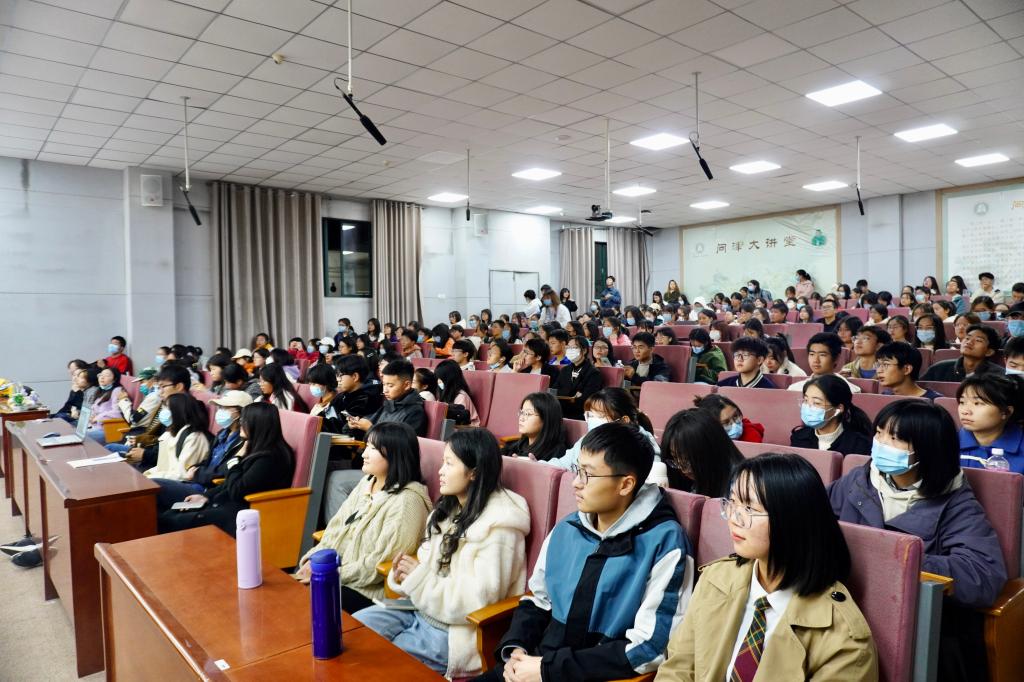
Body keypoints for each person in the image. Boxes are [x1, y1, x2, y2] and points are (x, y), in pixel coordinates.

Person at [478, 423, 692, 682]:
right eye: (577, 470)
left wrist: (548, 670)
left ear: (625, 484)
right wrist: (517, 649)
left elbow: (649, 647)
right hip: (536, 664)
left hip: (589, 674)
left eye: (588, 475)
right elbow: (539, 599)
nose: (576, 483)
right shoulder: (568, 528)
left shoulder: (664, 542)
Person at [658, 454, 877, 681]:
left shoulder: (845, 640)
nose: (733, 518)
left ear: (792, 519)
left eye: (749, 508)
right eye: (732, 503)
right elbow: (677, 668)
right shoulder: (715, 579)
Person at [829, 401, 1005, 678]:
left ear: (928, 450)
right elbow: (815, 516)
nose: (881, 444)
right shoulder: (861, 480)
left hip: (916, 618)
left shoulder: (956, 503)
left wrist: (903, 560)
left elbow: (981, 575)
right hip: (851, 605)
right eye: (879, 433)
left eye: (895, 438)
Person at [355, 429, 530, 678]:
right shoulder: (448, 510)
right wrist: (405, 573)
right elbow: (426, 567)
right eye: (442, 462)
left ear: (474, 472)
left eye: (449, 464)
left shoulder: (499, 526)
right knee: (354, 632)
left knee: (379, 664)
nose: (440, 471)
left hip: (454, 632)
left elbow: (478, 601)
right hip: (416, 609)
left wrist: (418, 579)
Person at [294, 422, 432, 613]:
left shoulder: (407, 502)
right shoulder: (367, 483)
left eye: (372, 449)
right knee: (288, 590)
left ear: (395, 454)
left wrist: (329, 573)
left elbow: (378, 565)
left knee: (303, 604)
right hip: (339, 576)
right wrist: (314, 561)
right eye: (366, 446)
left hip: (367, 592)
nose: (364, 454)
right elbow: (335, 530)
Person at [159, 402, 294, 536]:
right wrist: (205, 496)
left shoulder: (269, 458)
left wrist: (236, 459)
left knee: (169, 521)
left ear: (257, 424)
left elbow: (237, 489)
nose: (240, 424)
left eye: (244, 421)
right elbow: (230, 483)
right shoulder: (258, 448)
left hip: (241, 513)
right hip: (227, 504)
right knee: (170, 514)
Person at [153, 390, 251, 512]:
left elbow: (225, 471)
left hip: (209, 489)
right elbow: (207, 461)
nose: (220, 411)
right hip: (195, 482)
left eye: (225, 408)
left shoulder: (243, 441)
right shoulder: (222, 434)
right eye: (220, 407)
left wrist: (197, 473)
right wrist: (195, 468)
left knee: (155, 486)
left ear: (241, 413)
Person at [661, 407, 744, 494]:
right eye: (675, 458)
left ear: (712, 449)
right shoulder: (694, 481)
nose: (684, 470)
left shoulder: (740, 486)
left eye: (688, 459)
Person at [957, 373, 1024, 472]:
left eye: (977, 403)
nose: (965, 411)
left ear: (1006, 412)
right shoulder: (946, 443)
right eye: (962, 402)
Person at [790, 375, 872, 455]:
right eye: (806, 400)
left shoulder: (859, 445)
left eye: (817, 403)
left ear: (838, 408)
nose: (808, 407)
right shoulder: (798, 437)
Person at [144, 390, 212, 484]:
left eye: (167, 408)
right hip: (169, 478)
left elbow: (183, 474)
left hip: (186, 484)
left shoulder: (194, 437)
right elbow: (164, 467)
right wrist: (147, 474)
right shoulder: (171, 433)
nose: (163, 412)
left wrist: (151, 477)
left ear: (178, 411)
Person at [923, 324, 1002, 382]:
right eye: (967, 338)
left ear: (989, 352)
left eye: (978, 340)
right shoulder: (940, 369)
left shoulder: (998, 376)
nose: (969, 342)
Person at [502, 392, 568, 462]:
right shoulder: (516, 446)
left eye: (528, 414)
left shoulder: (557, 453)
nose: (521, 418)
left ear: (546, 419)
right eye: (522, 412)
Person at [789, 333, 862, 394]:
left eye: (822, 355)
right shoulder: (795, 389)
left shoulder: (850, 391)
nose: (816, 360)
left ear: (836, 358)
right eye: (812, 354)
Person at [553, 336, 603, 420]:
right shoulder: (565, 370)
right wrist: (572, 397)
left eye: (574, 348)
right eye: (568, 348)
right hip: (560, 410)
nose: (570, 351)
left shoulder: (593, 373)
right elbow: (554, 391)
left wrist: (564, 396)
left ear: (584, 350)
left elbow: (586, 400)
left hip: (579, 414)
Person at [875, 342, 944, 400]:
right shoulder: (885, 396)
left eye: (886, 364)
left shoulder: (933, 401)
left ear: (907, 369)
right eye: (878, 365)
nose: (879, 371)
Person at [694, 393, 765, 443]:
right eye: (726, 423)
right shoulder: (701, 438)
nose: (735, 425)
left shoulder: (752, 435)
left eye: (736, 416)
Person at [85, 367, 128, 444]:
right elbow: (94, 409)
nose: (102, 377)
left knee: (84, 438)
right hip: (94, 426)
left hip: (108, 429)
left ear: (114, 379)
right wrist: (91, 417)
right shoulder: (100, 391)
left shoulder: (117, 390)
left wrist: (97, 418)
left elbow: (117, 413)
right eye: (101, 375)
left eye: (107, 375)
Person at [435, 359, 480, 427]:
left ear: (450, 379)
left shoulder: (460, 396)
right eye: (437, 378)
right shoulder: (443, 394)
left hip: (467, 428)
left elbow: (459, 420)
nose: (438, 381)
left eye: (441, 379)